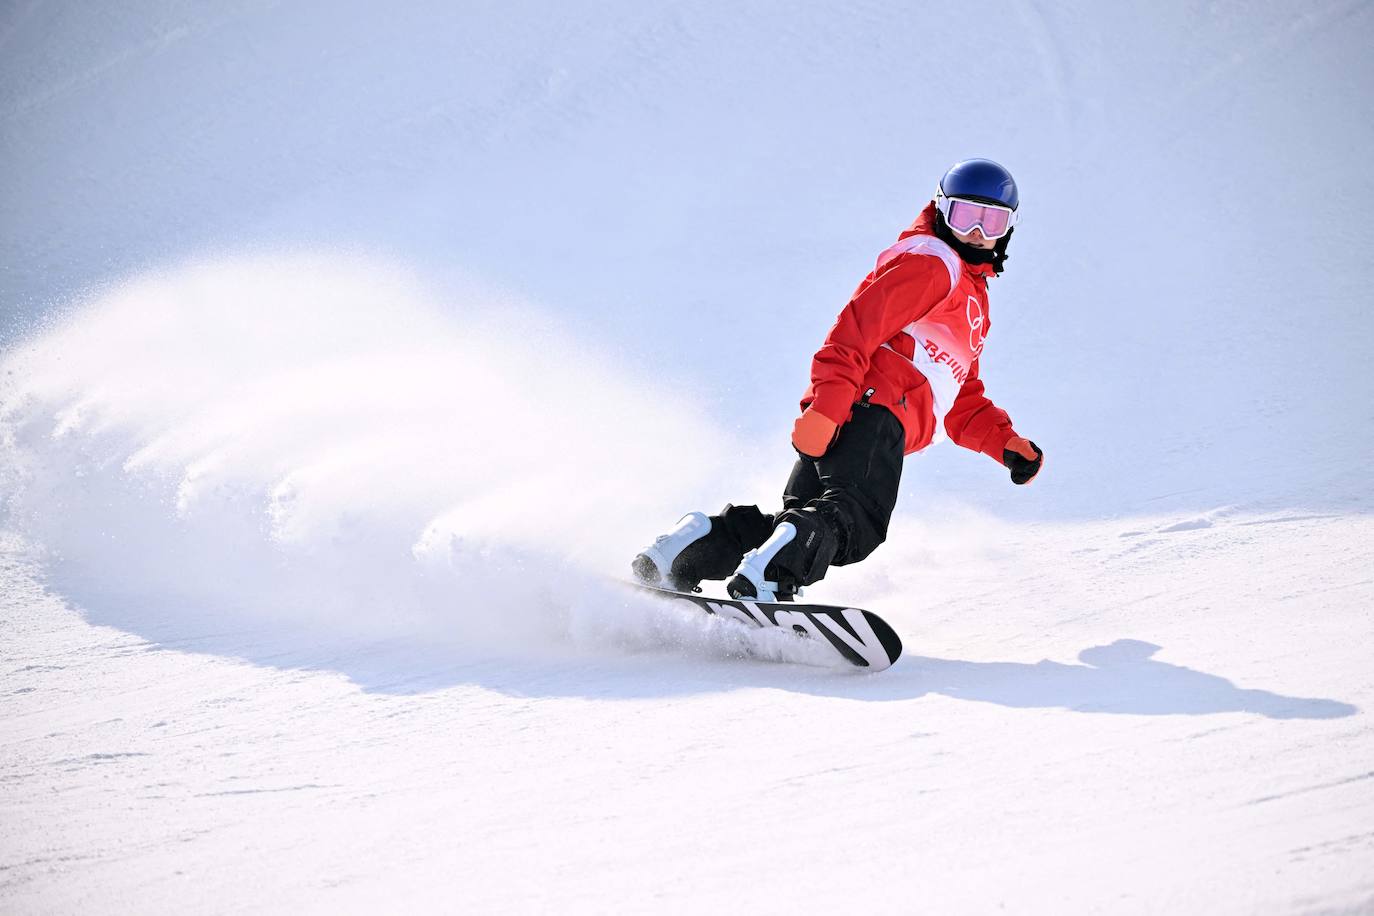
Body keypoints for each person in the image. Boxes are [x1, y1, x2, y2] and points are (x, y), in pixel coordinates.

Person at [632, 158, 1044, 602]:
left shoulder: (970, 300)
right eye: (966, 216)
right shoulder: (934, 266)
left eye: (992, 221)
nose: (978, 233)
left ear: (1010, 228)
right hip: (875, 414)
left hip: (861, 412)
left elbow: (959, 396)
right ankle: (769, 581)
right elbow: (853, 331)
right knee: (856, 521)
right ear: (942, 210)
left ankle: (688, 549)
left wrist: (1004, 442)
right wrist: (826, 409)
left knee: (801, 525)